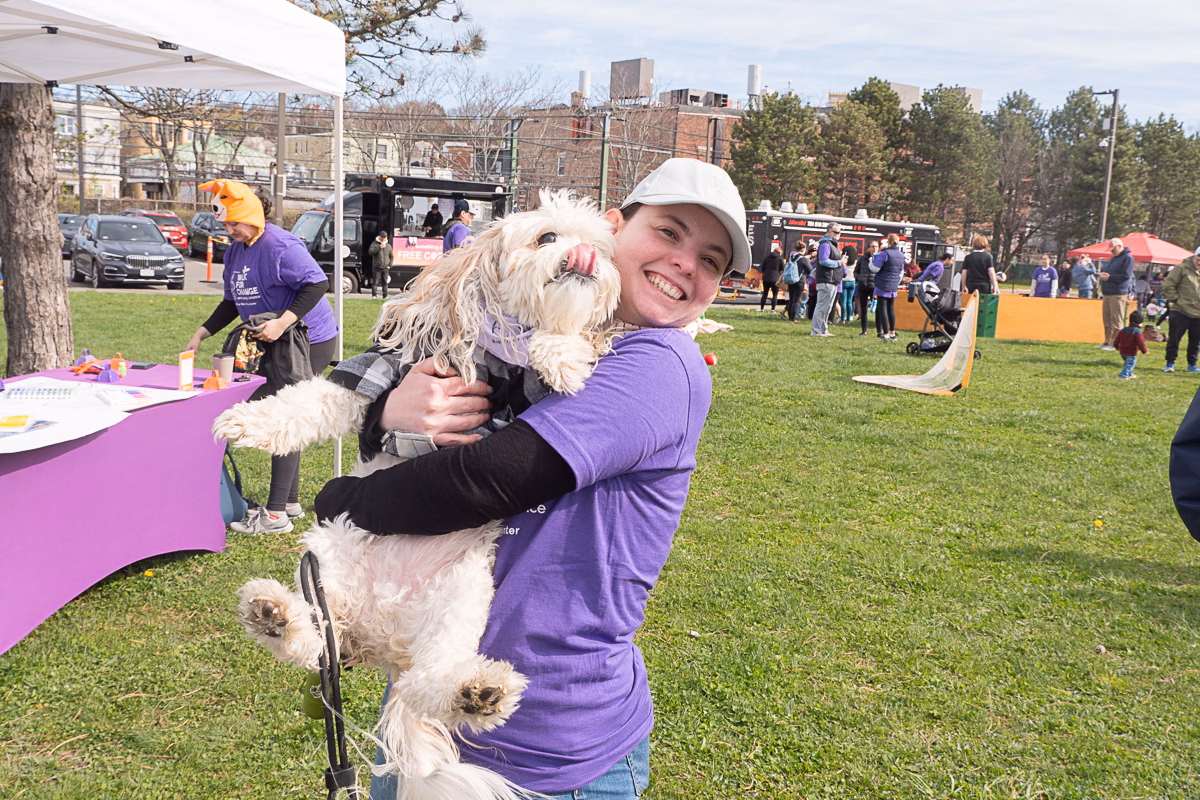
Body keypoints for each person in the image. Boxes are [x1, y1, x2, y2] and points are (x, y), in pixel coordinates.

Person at [313, 157, 750, 800]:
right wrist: (389, 412)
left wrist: (338, 501)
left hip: (549, 742)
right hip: (428, 700)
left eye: (713, 260)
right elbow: (430, 430)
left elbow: (486, 481)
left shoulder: (660, 363)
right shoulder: (518, 329)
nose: (687, 262)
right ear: (610, 229)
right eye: (669, 232)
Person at [184, 180, 339, 534]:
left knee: (282, 416)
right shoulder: (237, 250)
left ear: (252, 216)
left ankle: (274, 516)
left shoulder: (281, 246)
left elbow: (317, 284)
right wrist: (202, 333)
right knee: (280, 412)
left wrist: (283, 322)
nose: (229, 230)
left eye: (233, 223)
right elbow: (231, 302)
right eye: (225, 225)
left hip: (308, 340)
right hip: (274, 340)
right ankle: (290, 501)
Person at [1162, 247, 1200, 373]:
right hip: (1180, 310)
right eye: (1198, 258)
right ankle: (1170, 363)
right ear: (1194, 256)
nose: (1199, 261)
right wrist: (1176, 300)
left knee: (1195, 341)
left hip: (1198, 313)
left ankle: (1192, 364)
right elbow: (1168, 285)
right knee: (1174, 338)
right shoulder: (1181, 268)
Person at [1099, 237, 1135, 350]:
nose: (1111, 251)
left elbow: (1126, 276)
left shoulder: (1128, 258)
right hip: (1108, 292)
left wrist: (1109, 277)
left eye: (1113, 249)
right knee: (1107, 319)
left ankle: (1115, 343)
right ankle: (1107, 341)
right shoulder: (1114, 258)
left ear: (1119, 246)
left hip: (1118, 293)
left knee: (1116, 320)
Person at [871, 232, 905, 339]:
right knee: (891, 309)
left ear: (888, 241)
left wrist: (870, 263)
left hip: (882, 284)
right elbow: (901, 272)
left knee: (882, 309)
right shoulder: (901, 255)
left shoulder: (885, 254)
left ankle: (885, 333)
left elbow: (875, 268)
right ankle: (892, 333)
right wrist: (896, 283)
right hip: (893, 284)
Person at [810, 223, 843, 337]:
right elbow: (824, 261)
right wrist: (840, 262)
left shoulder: (832, 244)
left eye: (840, 232)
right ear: (829, 232)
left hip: (832, 279)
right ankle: (816, 331)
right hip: (826, 279)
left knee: (828, 307)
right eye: (837, 232)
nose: (839, 234)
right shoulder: (825, 244)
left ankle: (823, 329)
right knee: (822, 306)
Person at [854, 240, 879, 336]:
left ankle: (879, 331)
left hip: (875, 287)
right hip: (862, 286)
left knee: (879, 309)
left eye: (876, 246)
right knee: (863, 309)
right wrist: (859, 278)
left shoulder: (880, 259)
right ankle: (864, 331)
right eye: (872, 246)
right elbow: (856, 271)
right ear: (869, 248)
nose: (874, 248)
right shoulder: (862, 259)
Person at [1114, 309, 1147, 379]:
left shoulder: (1123, 330)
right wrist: (1144, 351)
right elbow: (1141, 342)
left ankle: (1130, 374)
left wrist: (1116, 346)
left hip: (1122, 351)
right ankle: (1124, 375)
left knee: (1127, 363)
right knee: (1130, 363)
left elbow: (1117, 339)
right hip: (1131, 352)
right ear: (1139, 323)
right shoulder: (1137, 332)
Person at [782, 240, 809, 322]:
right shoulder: (803, 259)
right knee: (796, 300)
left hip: (790, 280)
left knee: (791, 298)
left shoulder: (790, 257)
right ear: (803, 249)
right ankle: (792, 319)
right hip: (799, 281)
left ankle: (790, 317)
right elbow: (809, 269)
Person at [758, 241, 784, 313]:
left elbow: (763, 267)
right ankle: (772, 310)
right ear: (780, 253)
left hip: (766, 277)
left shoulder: (767, 257)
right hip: (775, 278)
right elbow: (782, 269)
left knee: (765, 293)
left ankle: (762, 309)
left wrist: (765, 273)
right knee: (775, 295)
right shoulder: (780, 259)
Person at [368, 230, 393, 299]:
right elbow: (370, 252)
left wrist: (389, 265)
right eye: (382, 237)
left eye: (385, 237)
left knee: (385, 282)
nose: (383, 238)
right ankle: (374, 295)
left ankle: (385, 295)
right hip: (377, 267)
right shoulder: (374, 244)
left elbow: (391, 256)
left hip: (385, 267)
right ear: (379, 237)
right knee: (375, 282)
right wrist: (379, 247)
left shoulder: (388, 246)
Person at [839, 245, 857, 323]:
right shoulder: (856, 261)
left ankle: (842, 318)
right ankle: (849, 318)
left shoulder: (843, 260)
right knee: (850, 301)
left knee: (843, 301)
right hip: (852, 281)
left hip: (844, 281)